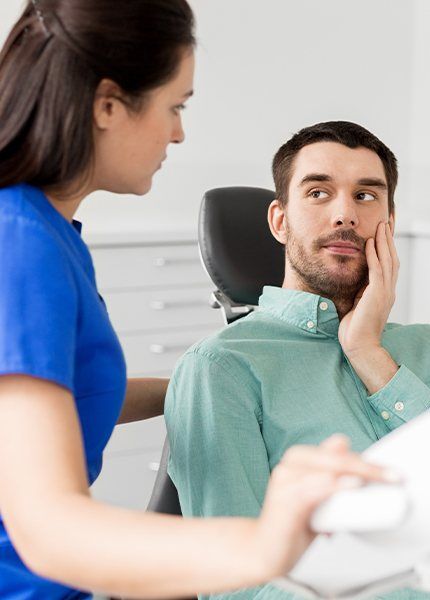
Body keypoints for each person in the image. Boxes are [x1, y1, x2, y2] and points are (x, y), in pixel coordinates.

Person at [0, 3, 390, 599]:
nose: (178, 131)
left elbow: (54, 395)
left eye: (368, 195)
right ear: (108, 105)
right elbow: (48, 531)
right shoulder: (22, 246)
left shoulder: (49, 235)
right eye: (174, 106)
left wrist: (198, 379)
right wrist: (265, 544)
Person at [165, 121, 430, 599]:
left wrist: (369, 354)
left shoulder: (423, 346)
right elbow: (235, 588)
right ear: (279, 220)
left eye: (367, 196)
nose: (345, 214)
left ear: (389, 221)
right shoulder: (221, 369)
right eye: (319, 193)